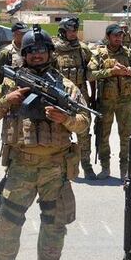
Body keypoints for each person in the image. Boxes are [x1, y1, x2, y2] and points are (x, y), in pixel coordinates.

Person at [0, 26, 89, 260]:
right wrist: (8, 101)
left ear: (50, 54)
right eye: (32, 51)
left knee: (53, 228)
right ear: (24, 54)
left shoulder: (66, 87)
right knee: (7, 225)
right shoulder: (9, 84)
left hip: (55, 168)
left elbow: (84, 122)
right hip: (21, 167)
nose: (38, 55)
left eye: (43, 50)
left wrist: (64, 118)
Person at [87, 24, 131, 179]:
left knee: (127, 136)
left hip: (125, 101)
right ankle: (105, 167)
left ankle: (125, 169)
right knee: (103, 135)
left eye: (120, 35)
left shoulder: (128, 54)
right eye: (115, 35)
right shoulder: (99, 54)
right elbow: (90, 75)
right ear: (108, 37)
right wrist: (111, 72)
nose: (119, 38)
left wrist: (129, 71)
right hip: (105, 101)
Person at [53, 17, 97, 179]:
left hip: (81, 97)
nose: (74, 34)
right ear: (63, 31)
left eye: (75, 30)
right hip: (62, 97)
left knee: (84, 132)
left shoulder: (82, 49)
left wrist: (93, 95)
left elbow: (91, 75)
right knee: (60, 131)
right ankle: (62, 167)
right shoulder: (53, 49)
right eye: (71, 30)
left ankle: (86, 165)